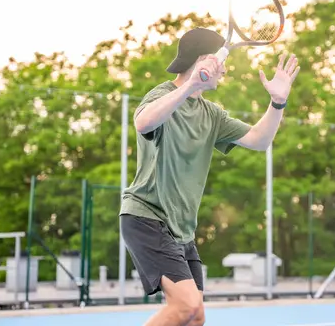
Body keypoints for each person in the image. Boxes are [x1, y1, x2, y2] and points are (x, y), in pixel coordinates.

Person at [120, 28, 300, 326]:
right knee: (185, 306)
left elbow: (259, 140)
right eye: (222, 63)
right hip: (146, 218)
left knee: (195, 317)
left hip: (182, 229)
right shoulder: (164, 95)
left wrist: (277, 103)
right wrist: (189, 85)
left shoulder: (212, 115)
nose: (225, 69)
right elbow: (143, 122)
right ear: (205, 60)